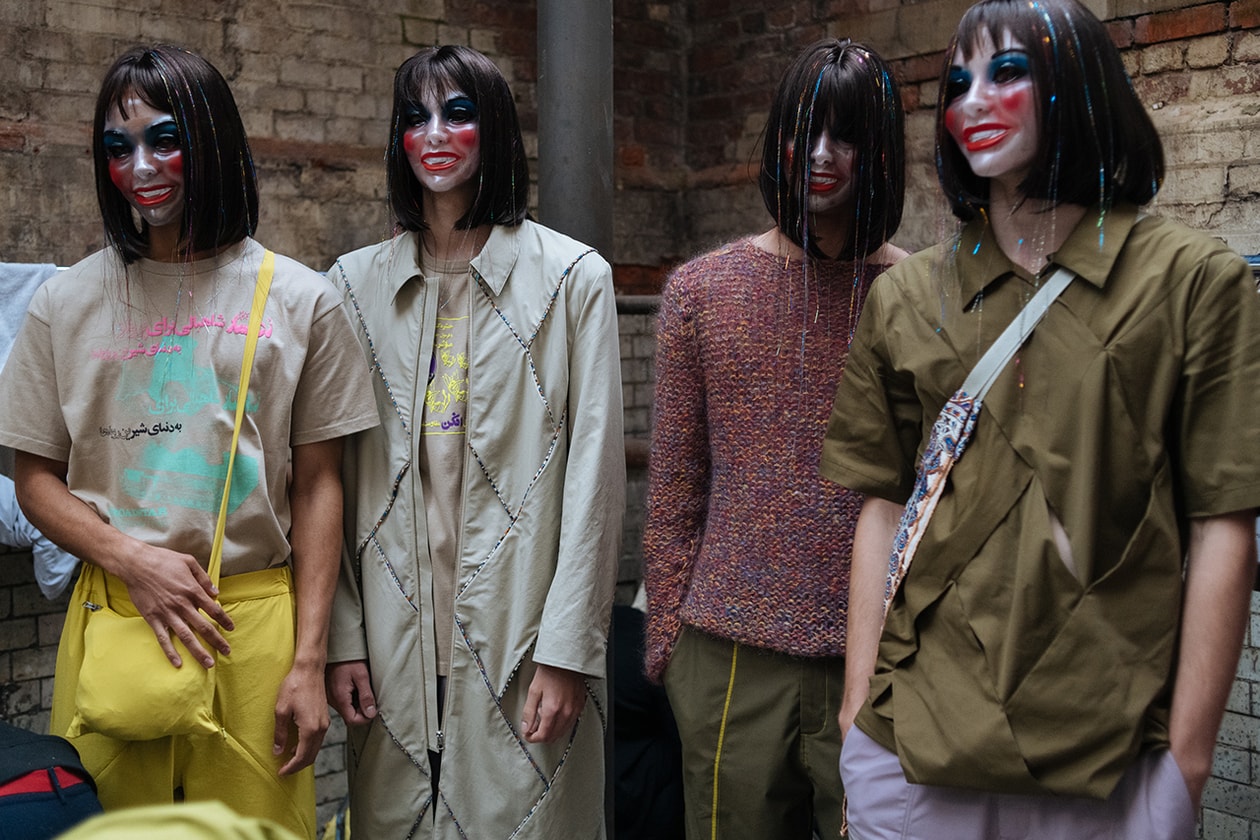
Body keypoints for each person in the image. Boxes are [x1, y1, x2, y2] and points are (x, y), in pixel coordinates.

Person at [820, 1, 1260, 837]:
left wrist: (1187, 763)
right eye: (957, 83)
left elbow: (1224, 522)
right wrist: (855, 716)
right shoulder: (907, 296)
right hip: (912, 743)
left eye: (1007, 72)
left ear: (1082, 84)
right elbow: (878, 505)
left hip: (1111, 756)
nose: (973, 100)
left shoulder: (1192, 283)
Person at [0, 45, 378, 839]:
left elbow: (318, 487)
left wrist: (310, 660)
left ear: (210, 139)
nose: (140, 166)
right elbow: (33, 478)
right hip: (115, 623)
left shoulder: (302, 300)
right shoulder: (63, 302)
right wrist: (128, 558)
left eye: (163, 138)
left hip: (253, 629)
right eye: (117, 146)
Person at [325, 45, 625, 839]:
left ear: (493, 129)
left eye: (457, 112)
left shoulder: (573, 280)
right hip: (392, 645)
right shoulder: (348, 288)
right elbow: (325, 479)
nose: (434, 133)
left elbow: (595, 479)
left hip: (525, 638)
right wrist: (340, 636)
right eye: (414, 116)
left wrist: (567, 651)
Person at [643, 39, 906, 839]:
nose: (820, 155)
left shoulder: (921, 296)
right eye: (803, 130)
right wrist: (668, 645)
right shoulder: (702, 292)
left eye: (846, 134)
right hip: (726, 661)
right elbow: (675, 486)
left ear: (882, 150)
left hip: (884, 658)